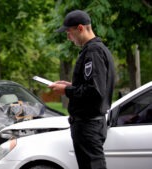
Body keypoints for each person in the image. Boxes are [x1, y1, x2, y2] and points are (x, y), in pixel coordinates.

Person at [49, 10, 115, 169]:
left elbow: (94, 91)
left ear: (80, 28)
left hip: (88, 125)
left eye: (68, 32)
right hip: (89, 124)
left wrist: (67, 91)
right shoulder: (96, 49)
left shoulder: (93, 51)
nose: (67, 37)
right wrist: (71, 85)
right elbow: (94, 85)